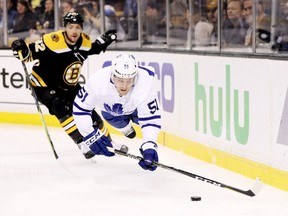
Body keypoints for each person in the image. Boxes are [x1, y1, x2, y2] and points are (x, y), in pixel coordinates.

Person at [11, 12, 117, 159]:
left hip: (69, 86)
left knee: (88, 109)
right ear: (65, 27)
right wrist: (20, 48)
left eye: (77, 27)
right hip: (43, 85)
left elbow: (93, 48)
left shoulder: (84, 41)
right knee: (59, 106)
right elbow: (28, 55)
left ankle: (109, 142)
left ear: (81, 28)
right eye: (70, 27)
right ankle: (82, 143)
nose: (74, 31)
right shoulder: (51, 41)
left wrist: (104, 41)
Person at [72, 53, 162, 171]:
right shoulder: (98, 80)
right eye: (120, 80)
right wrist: (90, 136)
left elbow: (151, 119)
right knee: (113, 118)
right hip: (111, 112)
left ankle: (127, 125)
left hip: (135, 110)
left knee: (142, 120)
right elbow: (80, 108)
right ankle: (126, 129)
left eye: (129, 80)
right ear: (112, 76)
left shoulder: (144, 84)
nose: (124, 86)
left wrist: (150, 146)